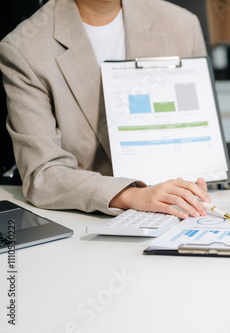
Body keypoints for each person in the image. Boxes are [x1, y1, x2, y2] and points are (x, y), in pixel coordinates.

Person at [0, 0, 212, 218]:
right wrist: (131, 196)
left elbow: (203, 140)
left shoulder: (183, 25)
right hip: (89, 219)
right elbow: (43, 175)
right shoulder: (25, 47)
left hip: (184, 209)